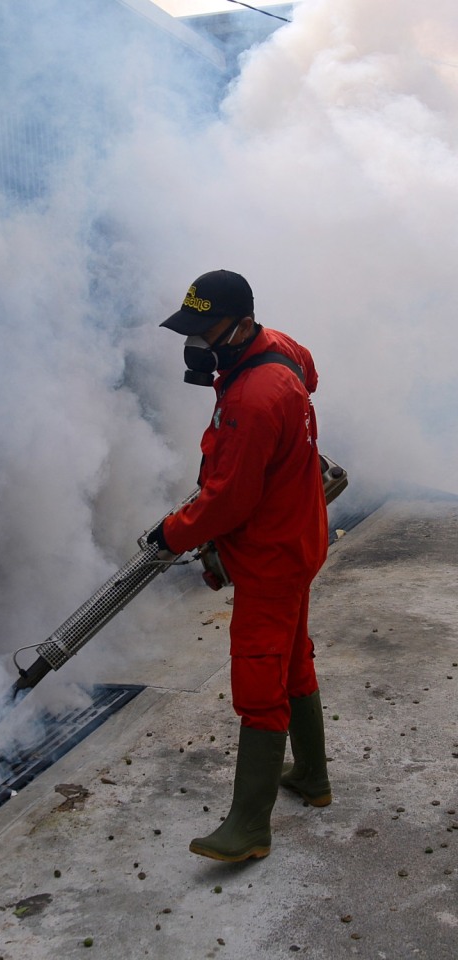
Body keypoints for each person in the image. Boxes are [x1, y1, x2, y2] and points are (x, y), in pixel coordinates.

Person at [147, 269, 331, 863]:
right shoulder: (284, 351)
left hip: (270, 556)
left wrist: (172, 532)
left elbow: (228, 499)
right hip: (300, 535)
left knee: (259, 678)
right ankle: (311, 778)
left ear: (242, 325)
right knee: (292, 657)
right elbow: (313, 376)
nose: (196, 343)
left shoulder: (251, 401)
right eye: (190, 331)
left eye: (205, 331)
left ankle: (250, 826)